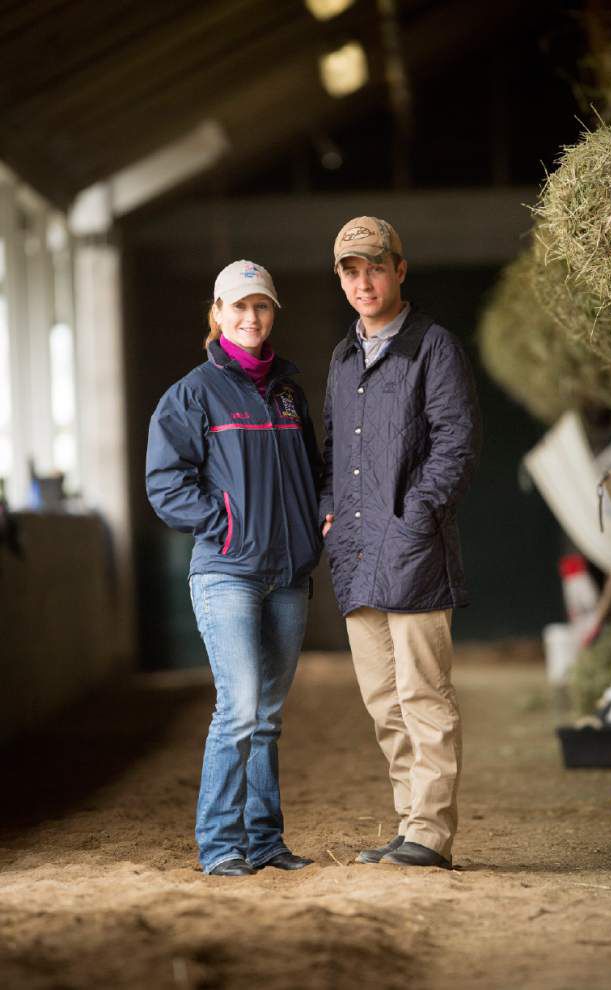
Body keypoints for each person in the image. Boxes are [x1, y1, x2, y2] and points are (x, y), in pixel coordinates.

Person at [146, 260, 322, 877]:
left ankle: (266, 842)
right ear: (217, 315)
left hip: (289, 574)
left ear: (272, 314)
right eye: (238, 307)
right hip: (227, 572)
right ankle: (220, 846)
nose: (251, 317)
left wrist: (318, 514)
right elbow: (165, 484)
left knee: (267, 719)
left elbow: (316, 474)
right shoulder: (192, 393)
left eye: (262, 307)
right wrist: (227, 523)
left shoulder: (289, 394)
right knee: (240, 709)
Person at [320, 217, 481, 869]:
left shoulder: (433, 346)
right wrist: (331, 510)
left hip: (413, 550)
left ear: (400, 269)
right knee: (385, 702)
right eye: (351, 271)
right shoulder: (341, 356)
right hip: (357, 552)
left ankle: (433, 834)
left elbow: (456, 442)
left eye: (375, 267)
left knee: (423, 696)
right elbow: (333, 450)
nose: (364, 281)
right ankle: (410, 823)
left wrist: (415, 515)